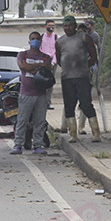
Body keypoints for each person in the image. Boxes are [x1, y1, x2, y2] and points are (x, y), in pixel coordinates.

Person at [56, 15, 100, 143]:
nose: (67, 28)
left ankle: (96, 132)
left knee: (86, 104)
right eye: (65, 26)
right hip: (67, 78)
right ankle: (73, 134)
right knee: (69, 106)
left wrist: (85, 66)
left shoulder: (84, 37)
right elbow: (59, 59)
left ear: (75, 26)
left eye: (70, 25)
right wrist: (67, 67)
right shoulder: (60, 42)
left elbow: (93, 56)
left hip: (82, 77)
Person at [10, 32, 52, 155]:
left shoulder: (46, 57)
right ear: (29, 41)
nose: (35, 41)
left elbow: (47, 69)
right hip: (26, 93)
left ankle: (38, 145)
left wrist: (33, 67)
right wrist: (39, 65)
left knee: (39, 121)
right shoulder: (23, 54)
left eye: (37, 39)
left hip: (41, 94)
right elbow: (23, 66)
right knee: (22, 120)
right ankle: (18, 145)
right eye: (33, 39)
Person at [40, 20, 58, 110]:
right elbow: (39, 50)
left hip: (52, 62)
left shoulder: (56, 38)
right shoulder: (42, 37)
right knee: (41, 82)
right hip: (43, 62)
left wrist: (53, 62)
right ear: (45, 26)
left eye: (53, 26)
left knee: (50, 83)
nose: (51, 27)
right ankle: (41, 102)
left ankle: (48, 102)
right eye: (49, 25)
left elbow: (57, 52)